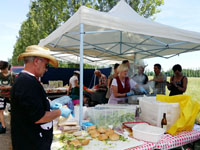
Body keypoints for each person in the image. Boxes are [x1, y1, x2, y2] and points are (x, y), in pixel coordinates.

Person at [11, 45, 71, 150]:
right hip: (31, 144)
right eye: (46, 65)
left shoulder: (27, 80)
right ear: (37, 61)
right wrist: (59, 112)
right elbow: (39, 117)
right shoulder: (27, 82)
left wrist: (48, 104)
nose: (46, 69)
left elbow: (31, 107)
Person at [0, 61, 15, 134]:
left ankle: (13, 127)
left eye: (3, 69)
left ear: (7, 67)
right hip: (1, 96)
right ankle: (3, 127)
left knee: (12, 111)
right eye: (1, 69)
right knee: (0, 111)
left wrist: (6, 87)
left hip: (10, 96)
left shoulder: (12, 75)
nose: (2, 70)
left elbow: (15, 86)